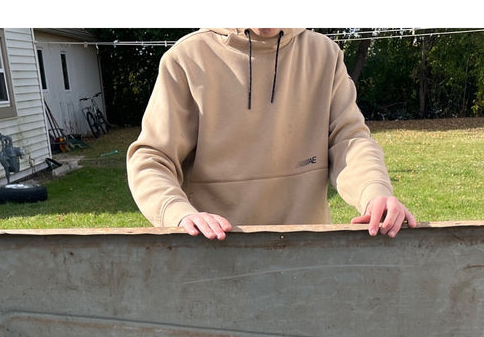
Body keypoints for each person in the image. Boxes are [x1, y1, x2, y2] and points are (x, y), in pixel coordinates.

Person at [126, 28, 416, 240]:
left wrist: (374, 192)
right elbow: (152, 158)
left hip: (308, 254)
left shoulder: (324, 55)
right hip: (214, 256)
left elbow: (349, 139)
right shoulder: (186, 59)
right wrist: (179, 214)